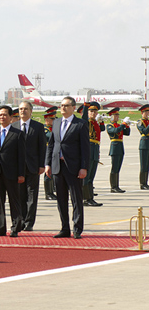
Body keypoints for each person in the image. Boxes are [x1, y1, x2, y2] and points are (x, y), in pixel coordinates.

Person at [45, 96, 89, 239]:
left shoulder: (80, 124)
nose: (63, 108)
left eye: (66, 105)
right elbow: (51, 145)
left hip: (74, 167)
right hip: (58, 166)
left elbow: (85, 148)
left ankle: (77, 228)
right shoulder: (56, 122)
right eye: (61, 105)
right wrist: (47, 164)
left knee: (76, 199)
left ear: (73, 108)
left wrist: (84, 167)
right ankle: (64, 228)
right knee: (61, 199)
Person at [0, 105, 25, 237]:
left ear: (10, 117)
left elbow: (21, 156)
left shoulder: (18, 134)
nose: (2, 117)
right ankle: (0, 227)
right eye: (0, 115)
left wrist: (21, 174)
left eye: (5, 115)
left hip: (12, 173)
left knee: (14, 201)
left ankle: (15, 227)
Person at [12, 100, 46, 231]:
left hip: (33, 166)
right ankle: (20, 220)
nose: (22, 111)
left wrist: (42, 165)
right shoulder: (13, 126)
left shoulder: (37, 127)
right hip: (17, 168)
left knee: (31, 195)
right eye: (20, 109)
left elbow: (42, 147)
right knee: (19, 195)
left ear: (31, 111)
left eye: (25, 109)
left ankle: (29, 222)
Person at [81, 102, 104, 207]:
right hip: (88, 151)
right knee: (86, 177)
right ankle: (86, 198)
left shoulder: (95, 123)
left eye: (95, 111)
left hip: (94, 151)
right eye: (91, 111)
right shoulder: (86, 123)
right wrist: (85, 107)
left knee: (91, 177)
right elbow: (84, 119)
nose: (94, 113)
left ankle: (90, 197)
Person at [106, 107, 130, 193]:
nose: (117, 116)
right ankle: (113, 187)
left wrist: (127, 125)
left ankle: (117, 186)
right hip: (114, 147)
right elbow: (115, 131)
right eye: (115, 115)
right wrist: (123, 124)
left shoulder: (119, 125)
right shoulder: (109, 126)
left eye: (117, 115)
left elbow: (127, 133)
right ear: (111, 116)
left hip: (120, 146)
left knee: (118, 168)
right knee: (114, 168)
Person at [43, 106, 58, 200]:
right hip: (47, 153)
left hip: (54, 152)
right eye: (52, 119)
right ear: (47, 119)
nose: (54, 120)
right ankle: (48, 193)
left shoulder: (53, 128)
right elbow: (50, 136)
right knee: (48, 174)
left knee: (52, 173)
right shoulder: (44, 129)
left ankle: (51, 191)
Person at [137, 104, 149, 189]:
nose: (147, 114)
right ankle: (142, 184)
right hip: (144, 144)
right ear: (142, 112)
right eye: (146, 112)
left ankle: (146, 183)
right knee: (144, 165)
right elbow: (144, 131)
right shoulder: (140, 122)